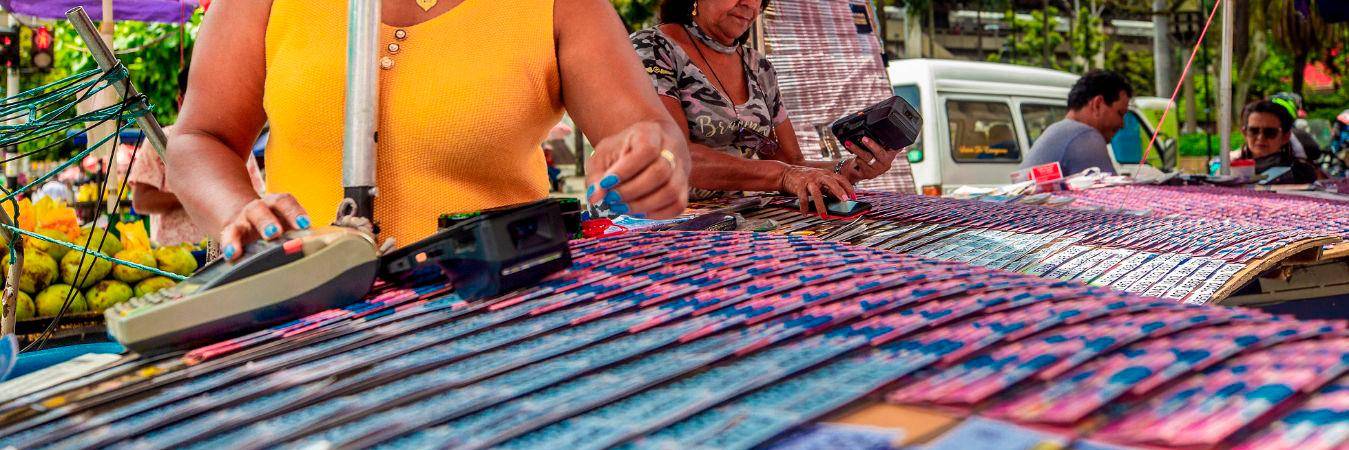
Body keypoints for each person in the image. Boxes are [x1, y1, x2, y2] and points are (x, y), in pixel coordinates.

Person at [168, 0, 691, 260]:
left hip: (499, 321)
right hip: (307, 323)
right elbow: (199, 138)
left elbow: (647, 131)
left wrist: (654, 160)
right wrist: (238, 213)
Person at [630, 0, 904, 214]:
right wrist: (783, 175)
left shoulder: (758, 68)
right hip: (649, 222)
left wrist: (851, 169)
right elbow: (674, 157)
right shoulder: (653, 49)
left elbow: (792, 162)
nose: (750, 4)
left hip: (728, 225)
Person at [130, 139, 265, 247]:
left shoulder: (238, 141)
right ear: (180, 103)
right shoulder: (160, 138)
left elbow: (256, 198)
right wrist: (198, 196)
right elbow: (141, 201)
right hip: (173, 256)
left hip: (228, 249)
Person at [1020, 70, 1133, 176]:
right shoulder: (1085, 136)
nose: (1122, 124)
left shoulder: (1057, 131)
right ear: (1097, 105)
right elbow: (1112, 194)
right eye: (1120, 113)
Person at [1226, 100, 1324, 184]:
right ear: (1244, 133)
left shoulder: (1300, 173)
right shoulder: (1228, 170)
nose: (1260, 137)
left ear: (1285, 137)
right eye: (1254, 131)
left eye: (1270, 132)